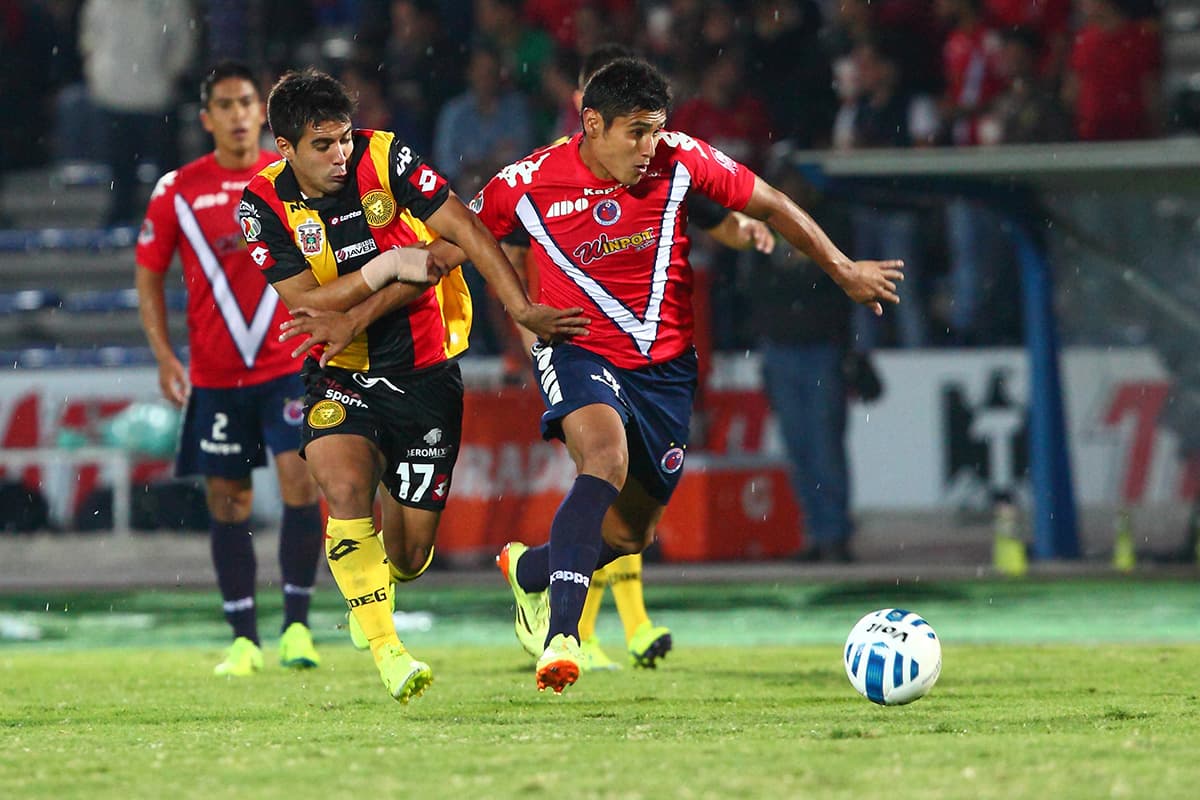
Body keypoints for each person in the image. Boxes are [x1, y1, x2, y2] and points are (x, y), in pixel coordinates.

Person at [455, 57, 901, 693]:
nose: (648, 146)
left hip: (665, 367)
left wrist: (842, 267)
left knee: (633, 533)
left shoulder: (681, 159)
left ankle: (532, 573)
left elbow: (771, 202)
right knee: (602, 461)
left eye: (656, 130)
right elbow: (460, 239)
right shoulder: (526, 181)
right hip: (577, 345)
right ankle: (561, 634)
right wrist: (379, 291)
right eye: (635, 132)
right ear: (592, 124)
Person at [240, 68, 585, 703]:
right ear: (284, 148)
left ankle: (376, 587)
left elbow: (468, 232)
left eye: (343, 138)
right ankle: (389, 652)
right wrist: (388, 265)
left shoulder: (386, 156)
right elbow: (309, 308)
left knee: (408, 557)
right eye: (322, 145)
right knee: (343, 486)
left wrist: (522, 312)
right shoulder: (259, 205)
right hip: (339, 372)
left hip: (426, 369)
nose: (341, 155)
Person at [134, 61, 324, 678]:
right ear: (207, 117)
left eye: (248, 102)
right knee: (229, 501)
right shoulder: (177, 190)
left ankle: (297, 626)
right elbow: (148, 274)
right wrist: (165, 355)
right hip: (216, 375)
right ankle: (243, 637)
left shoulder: (289, 178)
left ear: (261, 113)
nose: (240, 114)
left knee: (302, 485)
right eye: (227, 104)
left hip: (287, 363)